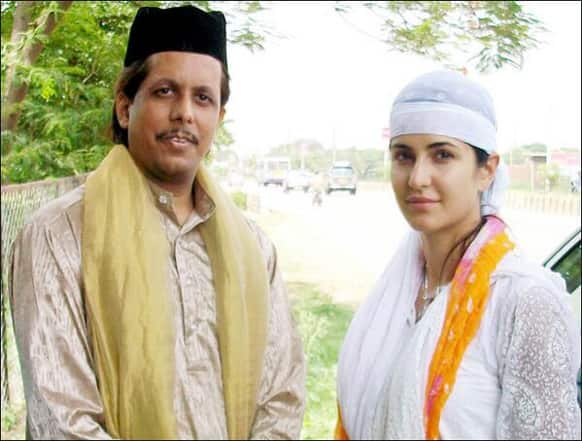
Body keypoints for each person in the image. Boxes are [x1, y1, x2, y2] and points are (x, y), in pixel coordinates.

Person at [9, 6, 305, 439]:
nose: (185, 112)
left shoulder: (254, 250)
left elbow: (282, 397)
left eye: (203, 98)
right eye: (166, 91)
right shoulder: (59, 236)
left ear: (217, 119)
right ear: (126, 107)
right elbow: (61, 421)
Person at [335, 70, 581, 440]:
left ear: (487, 171)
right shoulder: (398, 292)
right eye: (404, 156)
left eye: (442, 155)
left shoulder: (522, 301)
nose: (417, 177)